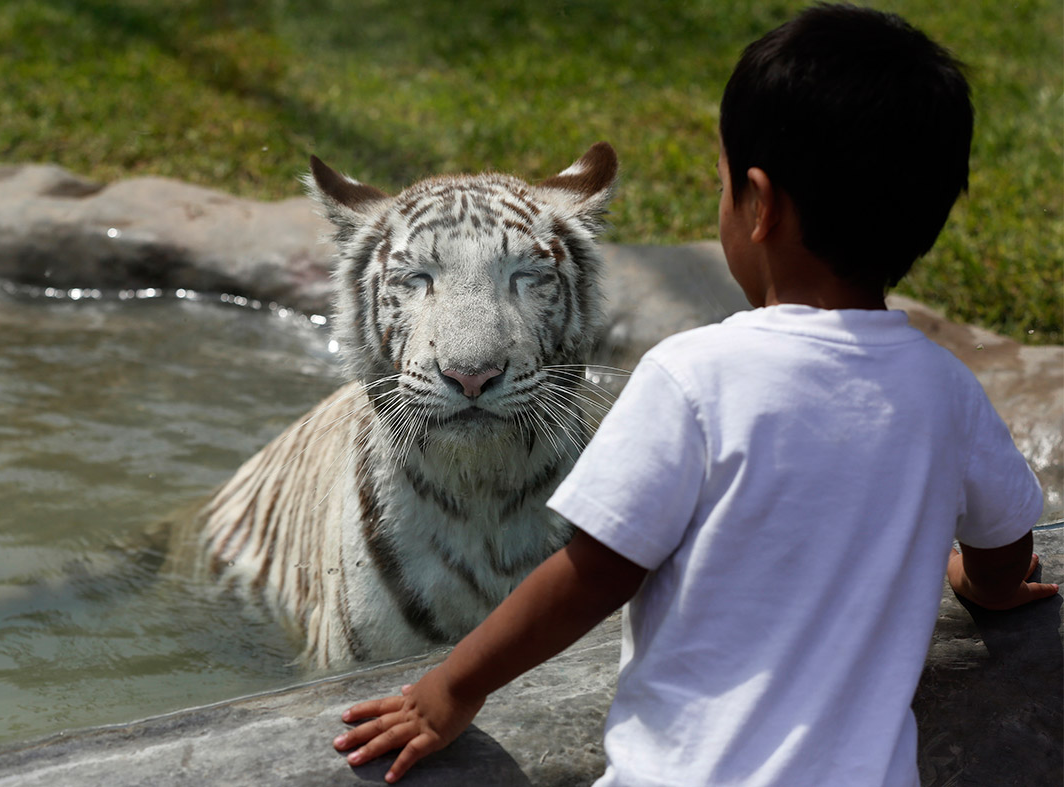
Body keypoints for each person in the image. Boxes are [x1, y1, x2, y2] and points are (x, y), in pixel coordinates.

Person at [330, 4, 1058, 785]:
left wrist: (452, 685)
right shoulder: (946, 389)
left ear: (759, 203)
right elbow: (1006, 539)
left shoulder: (692, 375)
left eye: (718, 183)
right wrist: (986, 584)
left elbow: (594, 574)